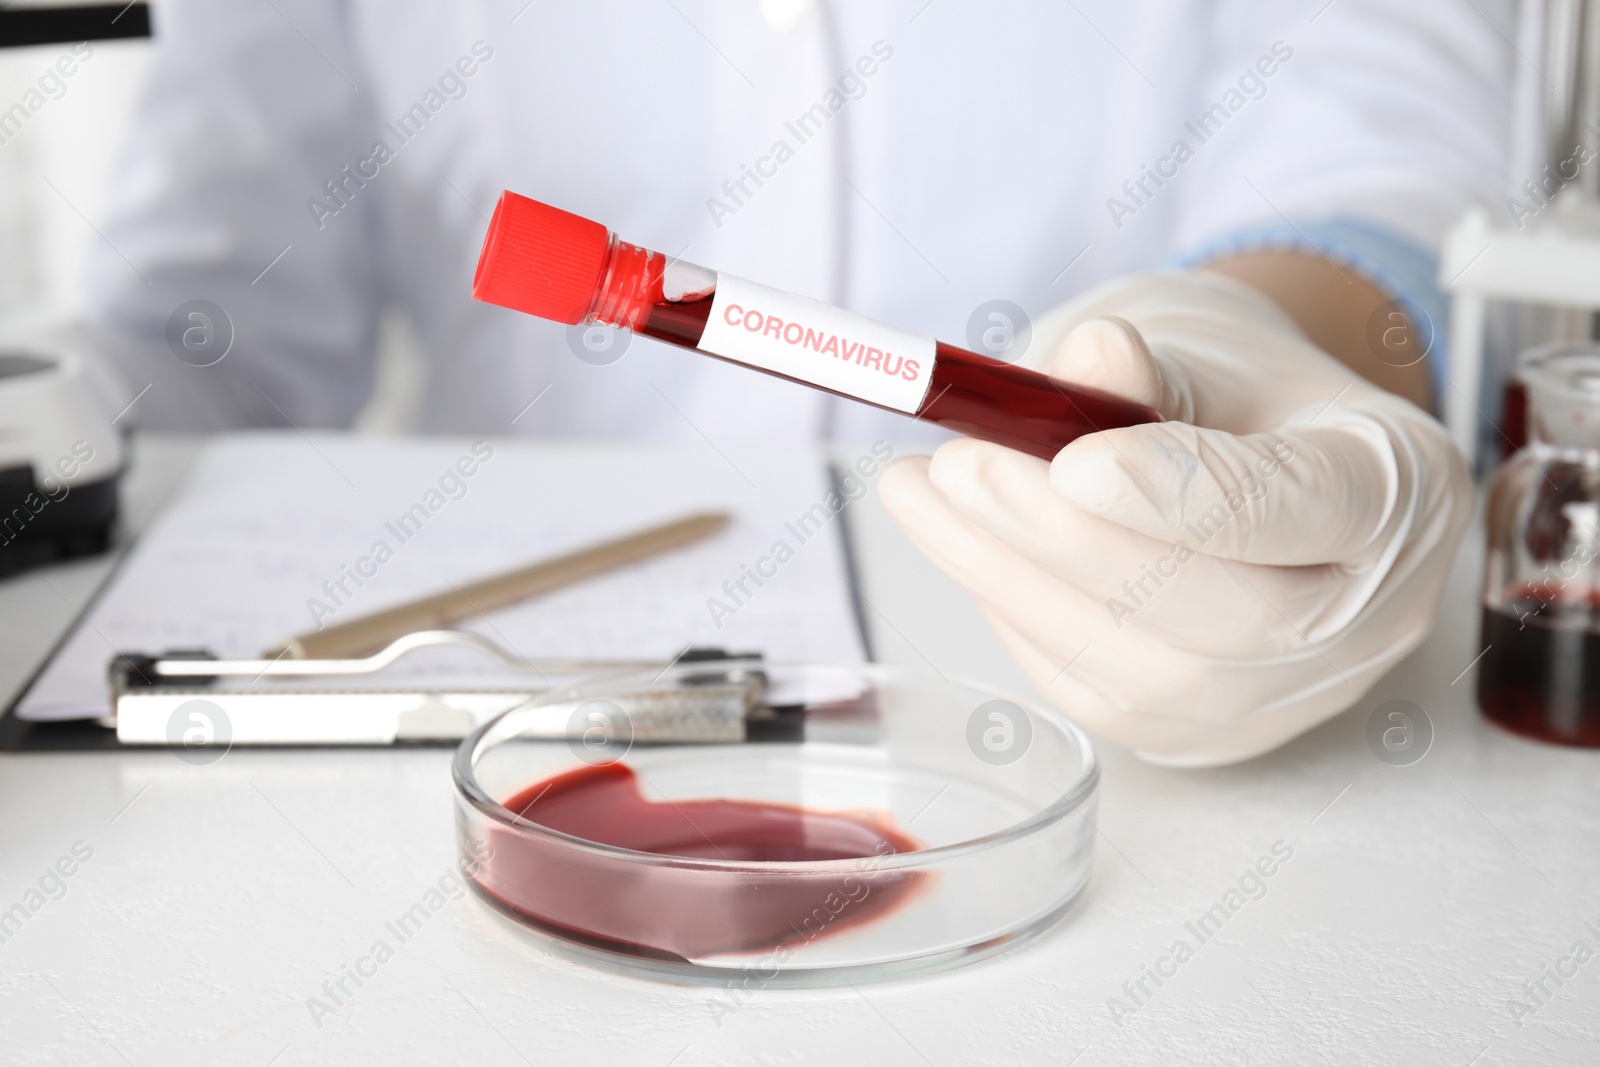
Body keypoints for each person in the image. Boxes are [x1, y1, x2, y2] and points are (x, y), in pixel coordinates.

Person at [83, 0, 1510, 764]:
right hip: (495, 722)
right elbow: (209, 328)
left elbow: (1374, 151)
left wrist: (1269, 352)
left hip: (1036, 695)